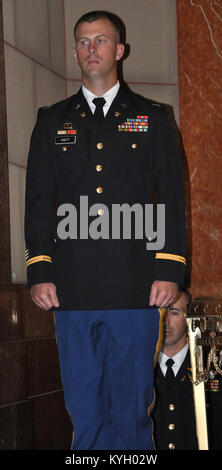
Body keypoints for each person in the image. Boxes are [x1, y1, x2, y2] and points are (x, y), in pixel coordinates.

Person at [25, 11, 186, 450]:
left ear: (119, 51)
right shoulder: (52, 120)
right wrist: (40, 268)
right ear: (75, 52)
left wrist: (169, 266)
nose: (90, 47)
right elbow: (39, 201)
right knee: (84, 408)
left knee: (132, 408)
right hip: (72, 290)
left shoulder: (153, 118)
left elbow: (170, 198)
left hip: (136, 288)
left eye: (100, 40)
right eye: (82, 41)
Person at [152, 290, 222, 450]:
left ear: (189, 319)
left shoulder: (210, 369)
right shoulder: (142, 369)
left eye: (174, 312)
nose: (165, 320)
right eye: (161, 312)